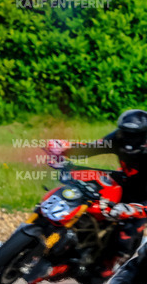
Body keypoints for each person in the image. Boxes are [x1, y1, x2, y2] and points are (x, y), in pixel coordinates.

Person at [47, 109, 147, 262]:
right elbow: (91, 148)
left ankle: (108, 266)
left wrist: (133, 209)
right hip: (125, 180)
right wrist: (64, 148)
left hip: (143, 197)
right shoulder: (118, 138)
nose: (128, 139)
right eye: (125, 132)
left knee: (125, 237)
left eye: (134, 135)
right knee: (85, 184)